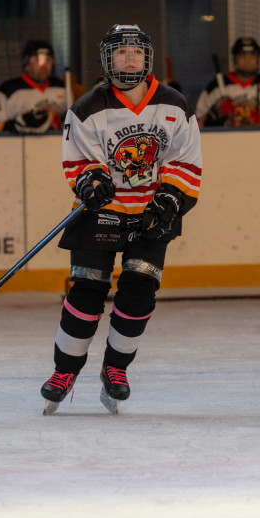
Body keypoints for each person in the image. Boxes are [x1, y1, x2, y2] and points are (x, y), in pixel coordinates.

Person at [41, 24, 203, 415]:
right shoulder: (87, 108)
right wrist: (89, 179)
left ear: (146, 58)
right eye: (120, 53)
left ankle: (115, 369)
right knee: (86, 292)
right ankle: (65, 371)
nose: (128, 60)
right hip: (104, 212)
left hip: (151, 213)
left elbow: (185, 159)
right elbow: (78, 159)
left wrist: (169, 197)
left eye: (135, 53)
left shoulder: (174, 105)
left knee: (139, 292)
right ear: (106, 60)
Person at [0, 40, 70, 134]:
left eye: (48, 60)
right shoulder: (8, 90)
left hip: (54, 145)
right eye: (39, 60)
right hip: (19, 146)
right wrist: (20, 124)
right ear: (27, 63)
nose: (44, 65)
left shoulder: (62, 87)